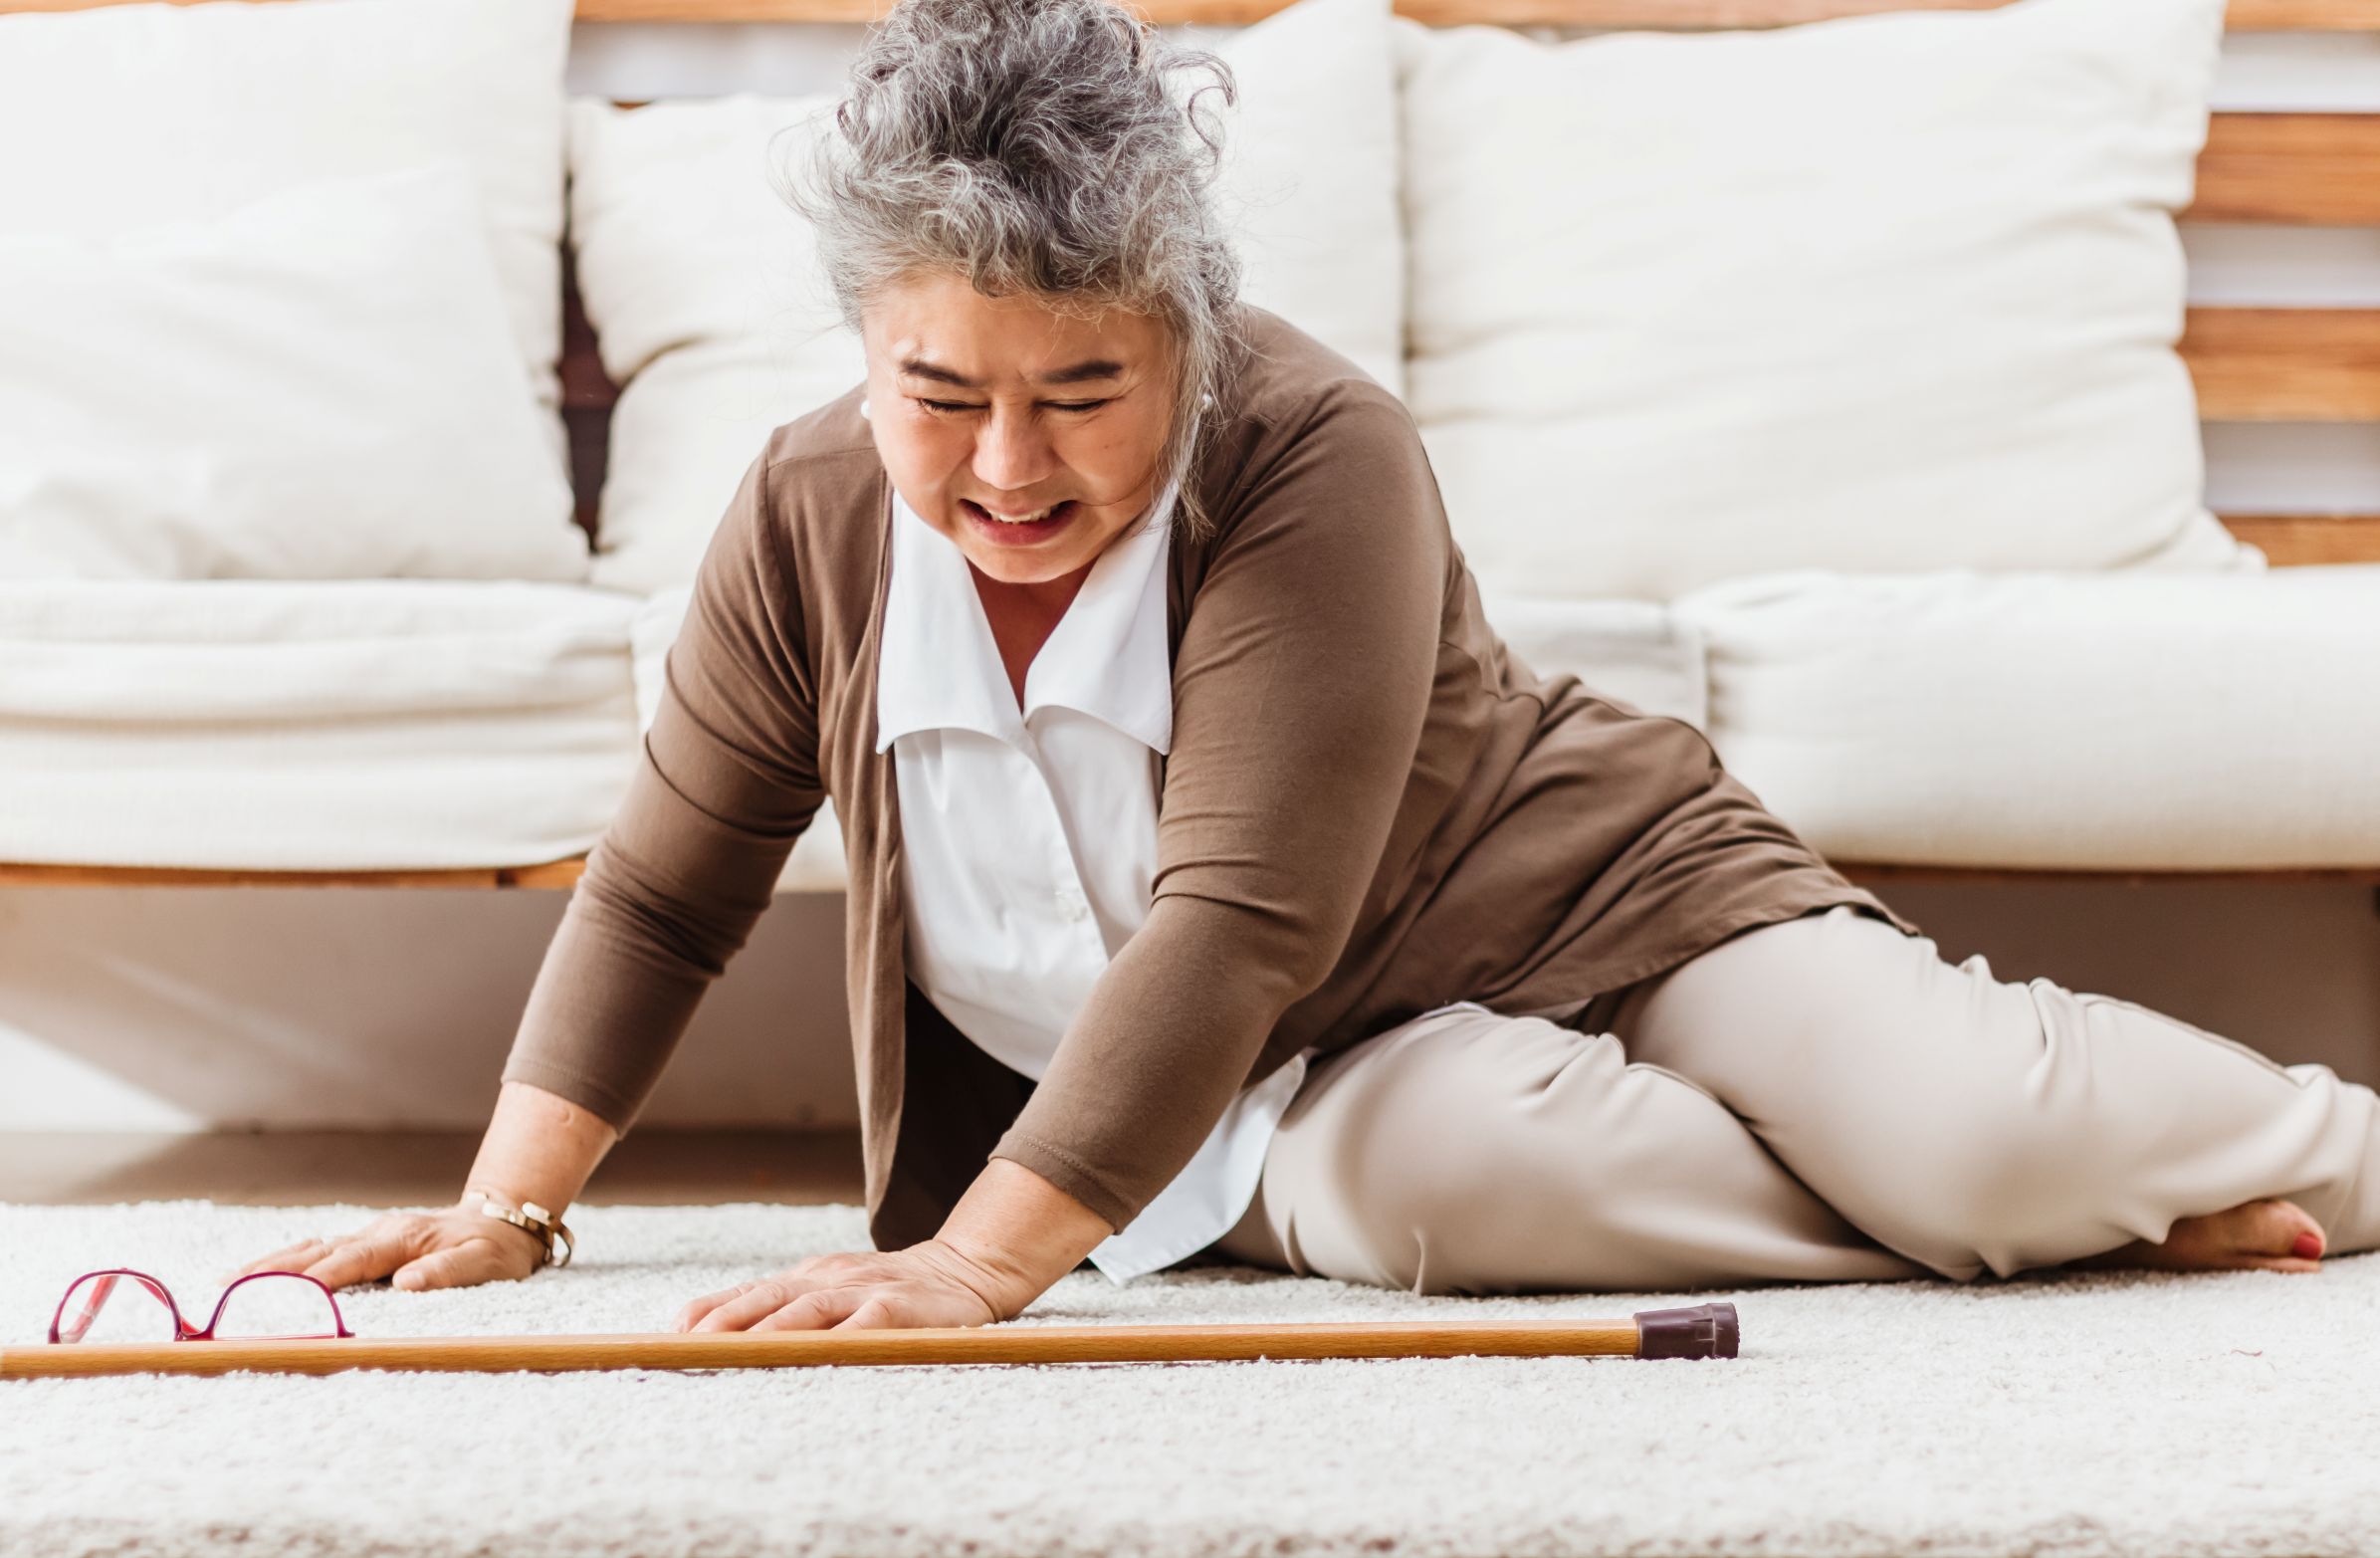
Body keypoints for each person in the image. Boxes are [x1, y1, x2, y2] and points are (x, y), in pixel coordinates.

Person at [237, 0, 2373, 1328]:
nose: (1003, 465)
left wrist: (980, 1266)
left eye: (1081, 390)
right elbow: (664, 887)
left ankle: (2129, 1177)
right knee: (1440, 1199)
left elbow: (1241, 910)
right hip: (1308, 1087)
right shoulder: (802, 505)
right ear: (860, 342)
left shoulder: (1311, 446)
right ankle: (2032, 1234)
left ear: (1185, 330)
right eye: (937, 390)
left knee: (1978, 1128)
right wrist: (502, 1217)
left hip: (1589, 904)